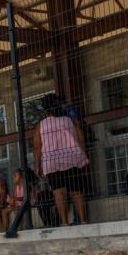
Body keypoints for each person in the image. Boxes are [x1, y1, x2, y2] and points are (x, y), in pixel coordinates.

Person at [33, 93, 89, 226]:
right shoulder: (69, 120)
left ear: (45, 109)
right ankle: (83, 221)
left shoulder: (40, 126)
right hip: (71, 158)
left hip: (52, 162)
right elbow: (81, 139)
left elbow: (37, 148)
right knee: (76, 191)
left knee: (59, 192)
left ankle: (64, 223)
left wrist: (37, 165)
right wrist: (82, 152)